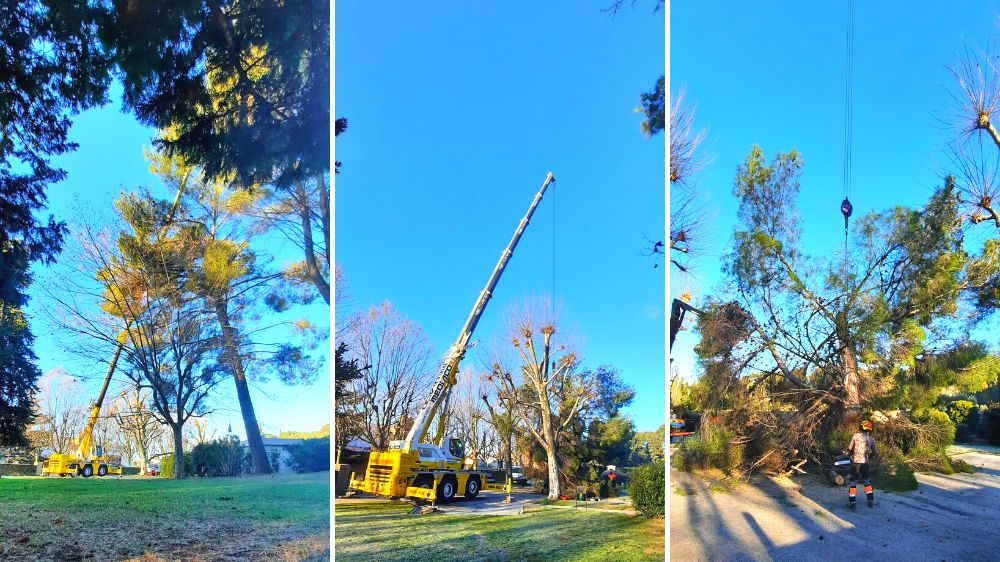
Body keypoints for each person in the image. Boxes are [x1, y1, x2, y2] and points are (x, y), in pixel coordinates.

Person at [846, 419, 877, 508]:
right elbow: (875, 452)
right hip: (865, 463)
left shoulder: (855, 436)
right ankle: (870, 500)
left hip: (856, 464)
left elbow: (849, 449)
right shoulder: (871, 439)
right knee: (866, 481)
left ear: (861, 427)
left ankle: (852, 502)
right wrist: (869, 456)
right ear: (869, 429)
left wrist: (850, 455)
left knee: (853, 482)